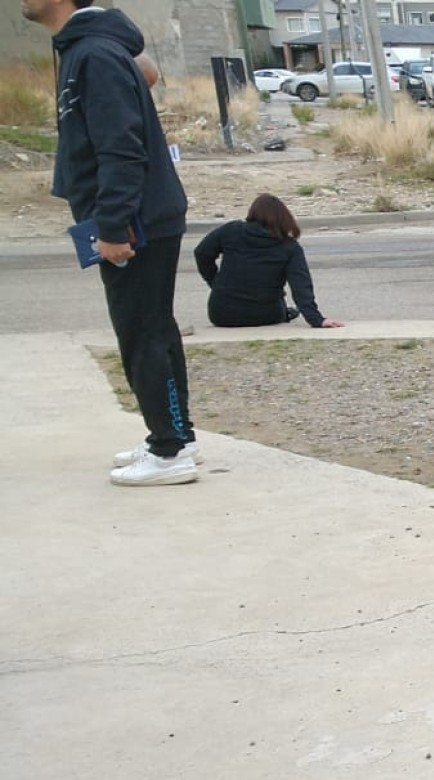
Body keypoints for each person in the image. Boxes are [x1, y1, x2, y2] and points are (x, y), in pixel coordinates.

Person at [27, 0, 197, 486]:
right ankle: (176, 438)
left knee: (142, 335)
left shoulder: (93, 54)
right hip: (140, 216)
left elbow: (121, 145)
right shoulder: (92, 48)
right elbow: (144, 74)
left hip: (134, 222)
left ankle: (169, 453)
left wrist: (112, 226)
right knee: (155, 331)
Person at [195, 195, 345, 331]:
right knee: (285, 309)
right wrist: (316, 319)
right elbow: (301, 286)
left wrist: (215, 282)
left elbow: (201, 253)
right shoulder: (289, 247)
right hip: (266, 313)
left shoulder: (231, 231)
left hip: (222, 313)